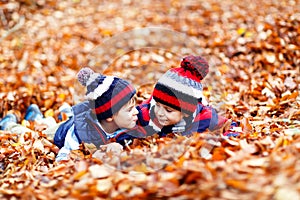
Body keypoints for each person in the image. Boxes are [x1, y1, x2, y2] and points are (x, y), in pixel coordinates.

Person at [115, 55, 239, 146]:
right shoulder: (147, 112)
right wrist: (120, 143)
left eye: (168, 110)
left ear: (186, 112)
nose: (160, 113)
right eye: (157, 105)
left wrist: (225, 140)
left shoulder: (204, 118)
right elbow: (125, 127)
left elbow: (231, 126)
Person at [53, 67, 138, 161]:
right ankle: (52, 114)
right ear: (110, 116)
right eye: (130, 109)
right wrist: (92, 157)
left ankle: (67, 111)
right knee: (51, 127)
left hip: (92, 115)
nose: (136, 111)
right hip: (66, 129)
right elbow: (62, 158)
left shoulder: (128, 121)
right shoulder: (82, 133)